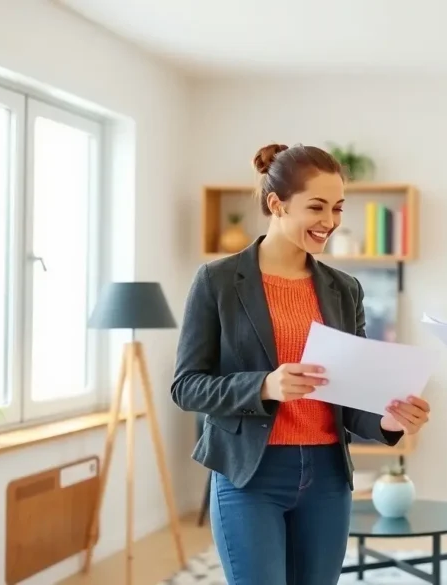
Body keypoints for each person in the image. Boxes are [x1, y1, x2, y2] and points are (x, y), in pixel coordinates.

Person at [171, 142, 431, 585]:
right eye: (316, 206)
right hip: (250, 475)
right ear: (277, 204)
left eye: (338, 208)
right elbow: (187, 386)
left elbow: (351, 395)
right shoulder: (217, 280)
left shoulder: (344, 289)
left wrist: (390, 420)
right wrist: (264, 386)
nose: (330, 221)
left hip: (327, 477)